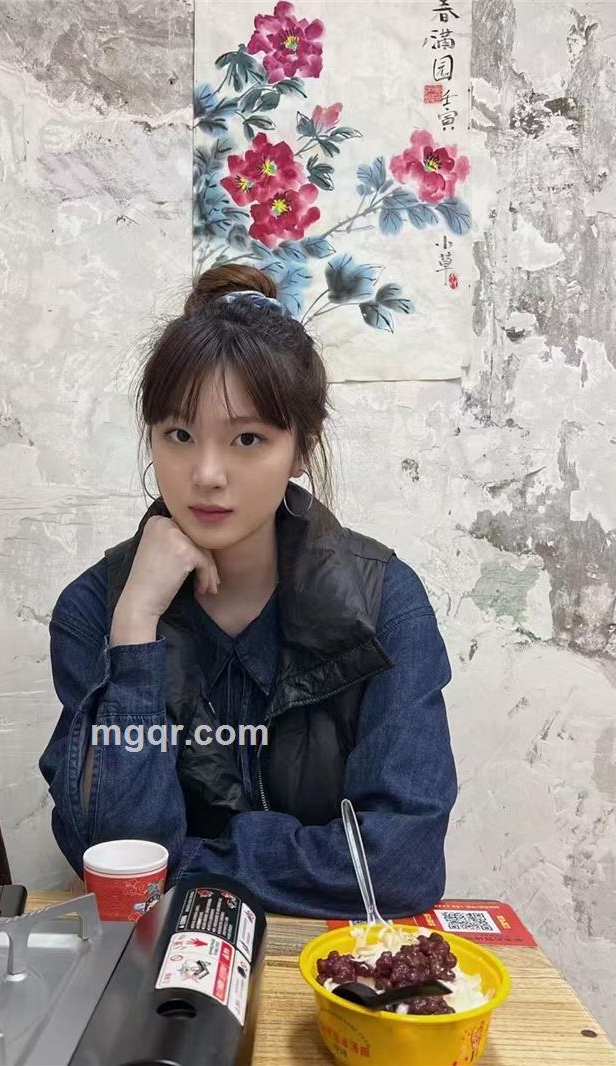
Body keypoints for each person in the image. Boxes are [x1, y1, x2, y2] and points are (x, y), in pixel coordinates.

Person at [39, 264, 458, 918]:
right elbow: (117, 855)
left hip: (335, 958)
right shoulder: (96, 609)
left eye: (248, 439)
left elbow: (401, 863)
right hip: (161, 960)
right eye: (179, 435)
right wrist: (135, 629)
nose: (207, 473)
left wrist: (188, 862)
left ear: (301, 450)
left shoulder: (383, 603)